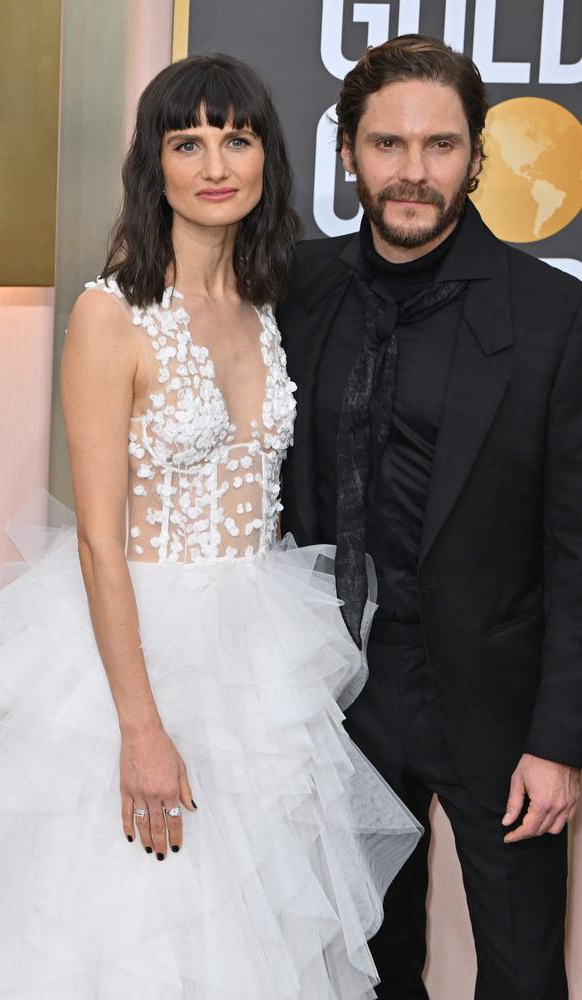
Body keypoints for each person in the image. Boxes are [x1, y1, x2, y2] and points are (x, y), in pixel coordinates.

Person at [0, 54, 419, 999]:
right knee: (130, 935)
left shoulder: (270, 306)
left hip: (262, 655)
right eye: (186, 140)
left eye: (235, 138)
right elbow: (96, 541)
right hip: (137, 654)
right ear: (153, 167)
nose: (214, 162)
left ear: (267, 159)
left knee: (256, 935)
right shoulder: (111, 316)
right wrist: (141, 728)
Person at [278, 33, 582, 1000]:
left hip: (499, 703)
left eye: (441, 146)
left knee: (524, 971)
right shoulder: (295, 289)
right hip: (340, 696)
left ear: (478, 157)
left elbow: (578, 549)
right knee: (362, 964)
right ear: (348, 154)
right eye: (388, 145)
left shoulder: (552, 317)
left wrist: (562, 739)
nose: (413, 172)